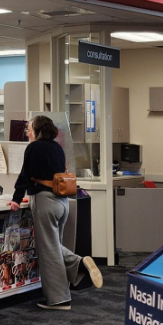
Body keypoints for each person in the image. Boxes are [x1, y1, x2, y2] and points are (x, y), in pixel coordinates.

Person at [12, 114, 102, 310]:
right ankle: (75, 271)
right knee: (53, 246)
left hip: (45, 201)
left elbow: (25, 175)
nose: (27, 132)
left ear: (38, 130)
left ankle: (59, 298)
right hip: (63, 202)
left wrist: (16, 199)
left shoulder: (34, 148)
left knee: (49, 250)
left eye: (29, 128)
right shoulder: (57, 148)